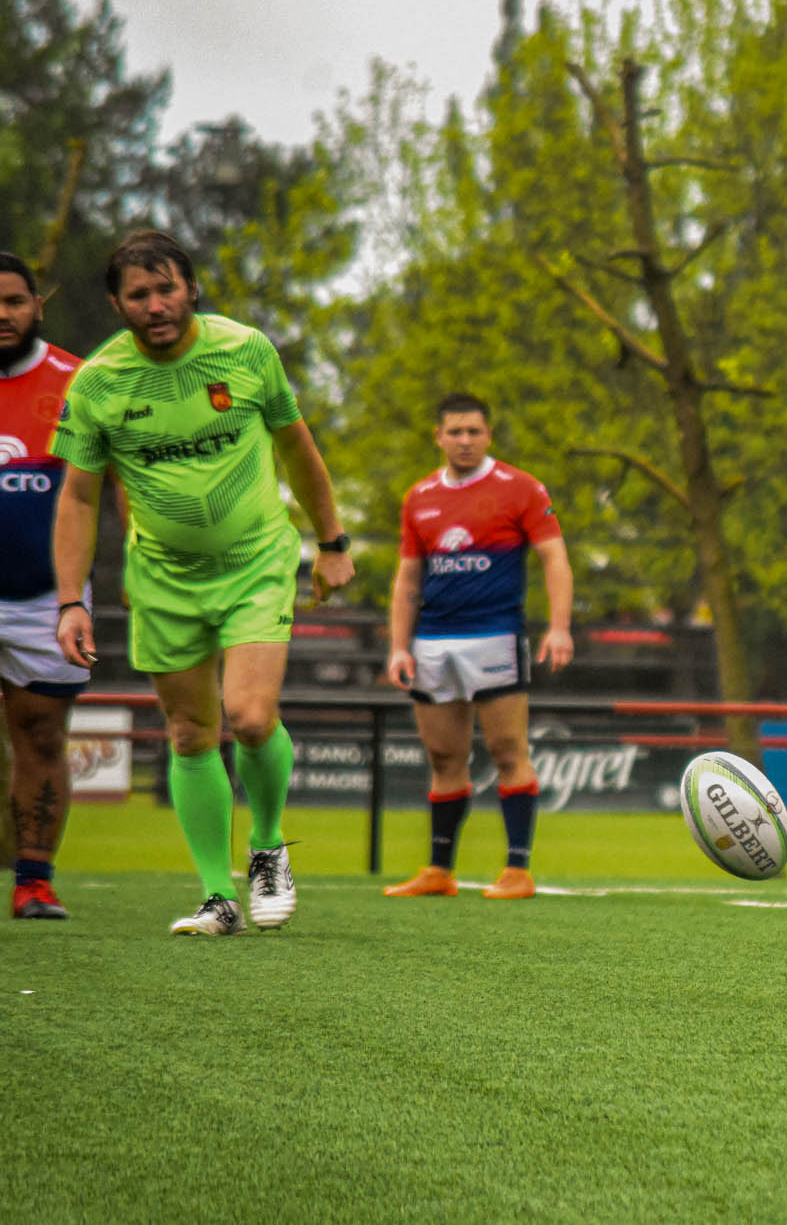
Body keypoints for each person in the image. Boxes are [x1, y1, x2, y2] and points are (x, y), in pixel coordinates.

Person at [51, 230, 354, 935]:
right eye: (138, 294)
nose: (155, 304)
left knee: (249, 716)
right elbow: (77, 499)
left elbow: (296, 446)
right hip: (161, 576)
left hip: (255, 561)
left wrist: (332, 542)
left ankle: (269, 843)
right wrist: (72, 599)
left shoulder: (245, 350)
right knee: (190, 733)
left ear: (191, 288)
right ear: (116, 303)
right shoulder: (98, 382)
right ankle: (218, 895)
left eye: (166, 288)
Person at [382, 392, 573, 900]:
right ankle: (439, 870)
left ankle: (517, 869)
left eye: (474, 431)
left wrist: (559, 627)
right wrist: (399, 647)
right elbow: (407, 577)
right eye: (455, 432)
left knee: (508, 750)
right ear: (438, 436)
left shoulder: (521, 488)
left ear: (488, 435)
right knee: (445, 757)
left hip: (494, 635)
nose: (464, 441)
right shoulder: (419, 496)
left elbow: (555, 558)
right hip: (433, 644)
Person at [1, 252, 87, 919]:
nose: (2, 316)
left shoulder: (80, 382)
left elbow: (113, 489)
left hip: (44, 600)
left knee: (43, 736)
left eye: (13, 302)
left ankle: (34, 879)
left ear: (37, 306)